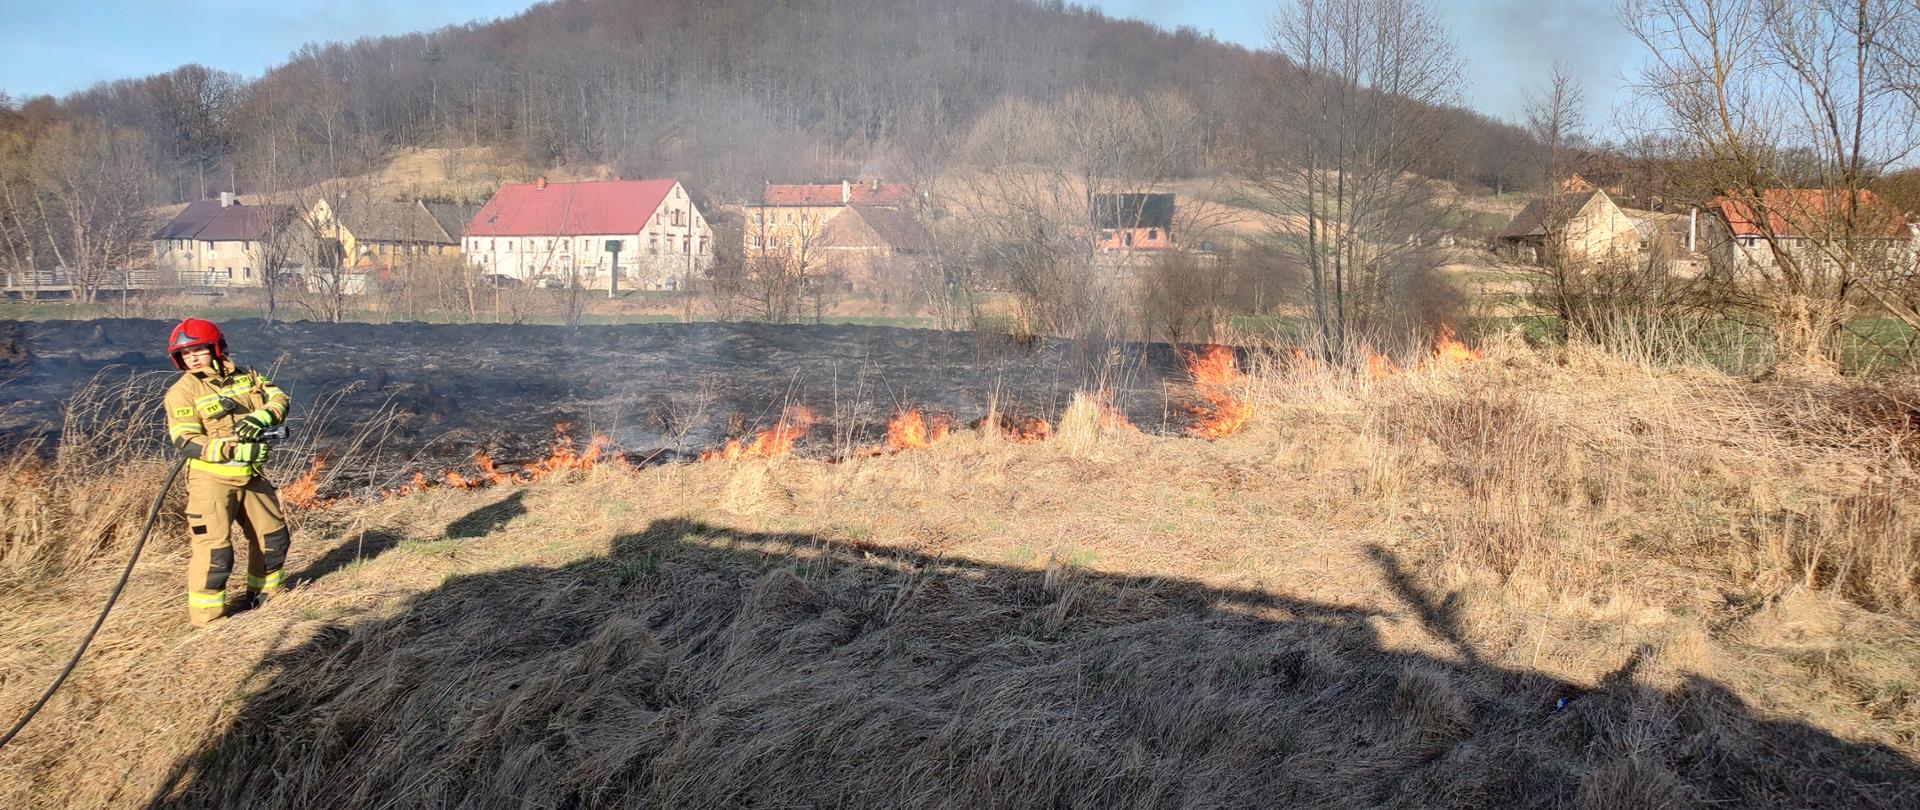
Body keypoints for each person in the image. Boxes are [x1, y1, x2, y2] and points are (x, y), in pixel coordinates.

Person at [162, 318, 291, 627]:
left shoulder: (248, 377)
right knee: (215, 553)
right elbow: (186, 441)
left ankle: (266, 598)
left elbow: (279, 398)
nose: (191, 357)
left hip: (252, 475)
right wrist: (233, 450)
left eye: (198, 350)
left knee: (273, 538)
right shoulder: (183, 392)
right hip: (212, 481)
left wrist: (261, 417)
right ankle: (208, 622)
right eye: (185, 353)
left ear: (216, 347)